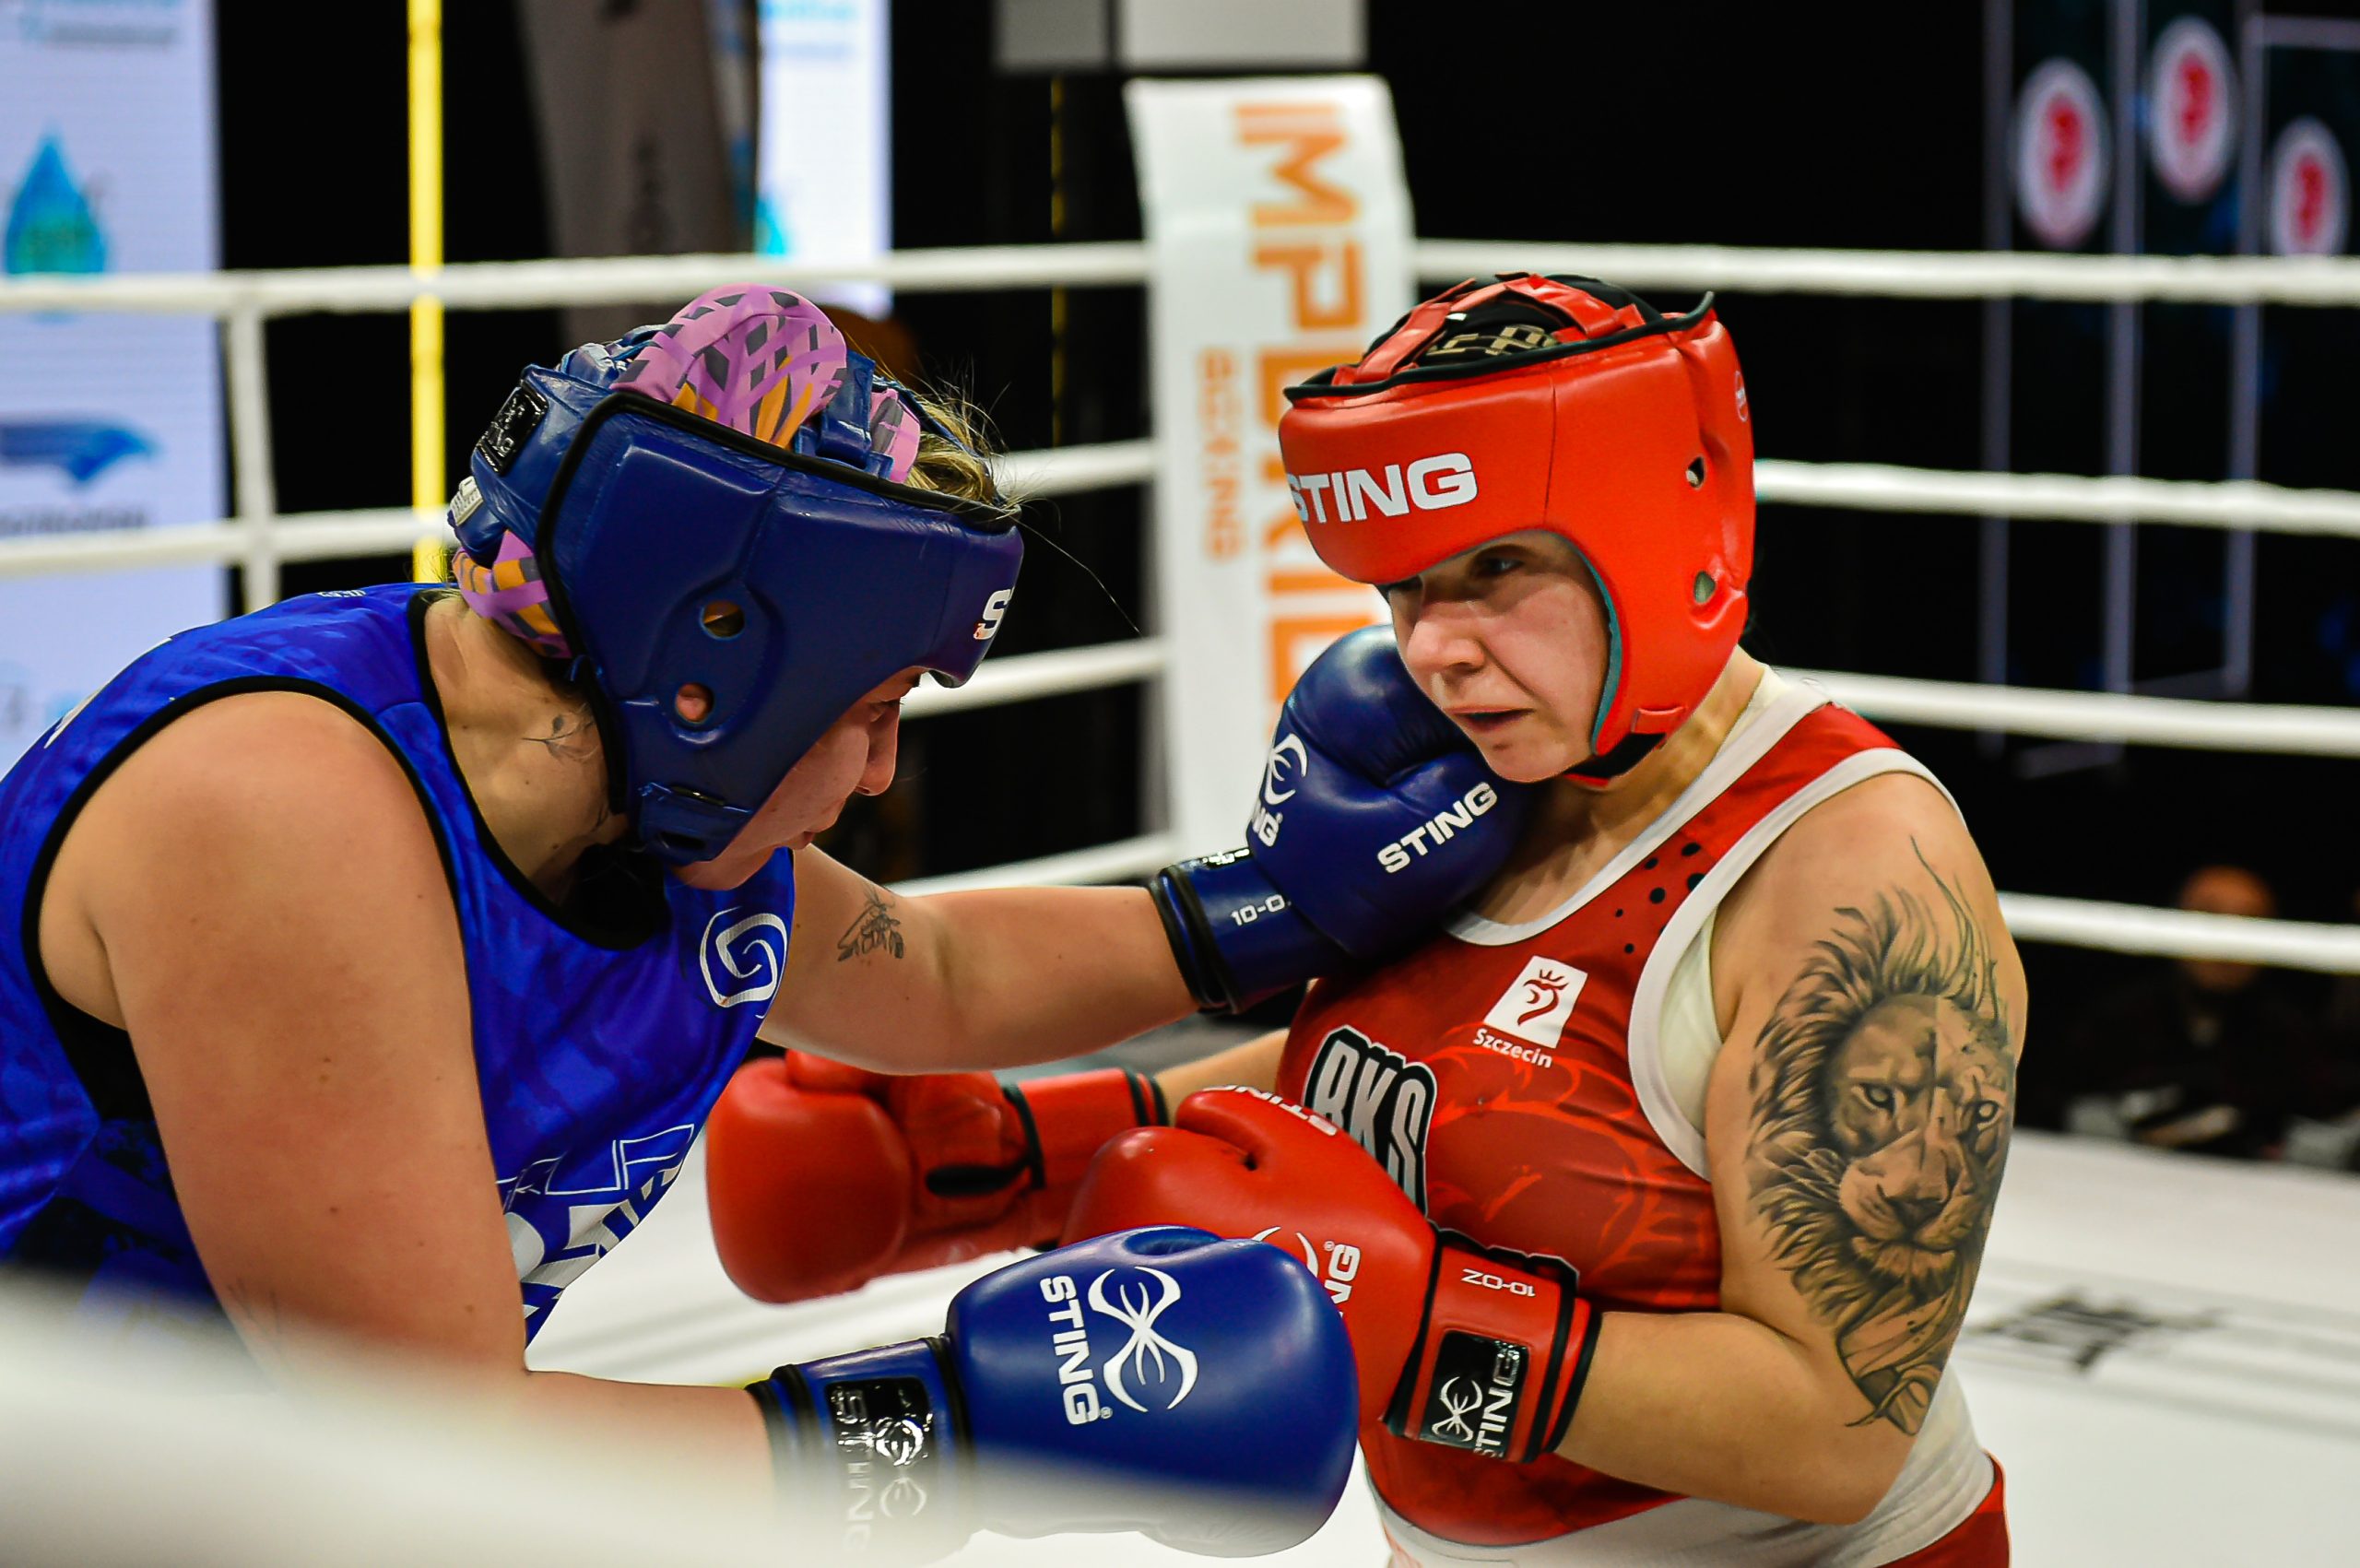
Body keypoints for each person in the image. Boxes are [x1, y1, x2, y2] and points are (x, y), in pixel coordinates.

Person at [0, 284, 1524, 1555]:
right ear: (722, 664)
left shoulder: (629, 811)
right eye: (872, 707)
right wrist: (961, 1437)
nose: (883, 771)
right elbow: (433, 1437)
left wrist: (1271, 911)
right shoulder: (283, 814)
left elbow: (937, 974)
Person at [726, 276, 2024, 1563]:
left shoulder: (1850, 871)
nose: (1433, 649)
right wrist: (1009, 1160)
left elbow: (1836, 1438)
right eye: (1402, 589)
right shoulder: (1473, 761)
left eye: (1497, 567)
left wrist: (1424, 1322)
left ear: (1644, 530)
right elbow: (1432, 1072)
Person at [2057, 864, 2321, 1159]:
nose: (2228, 939)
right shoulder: (2117, 1021)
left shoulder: (2293, 1039)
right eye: (2210, 916)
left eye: (2250, 922)